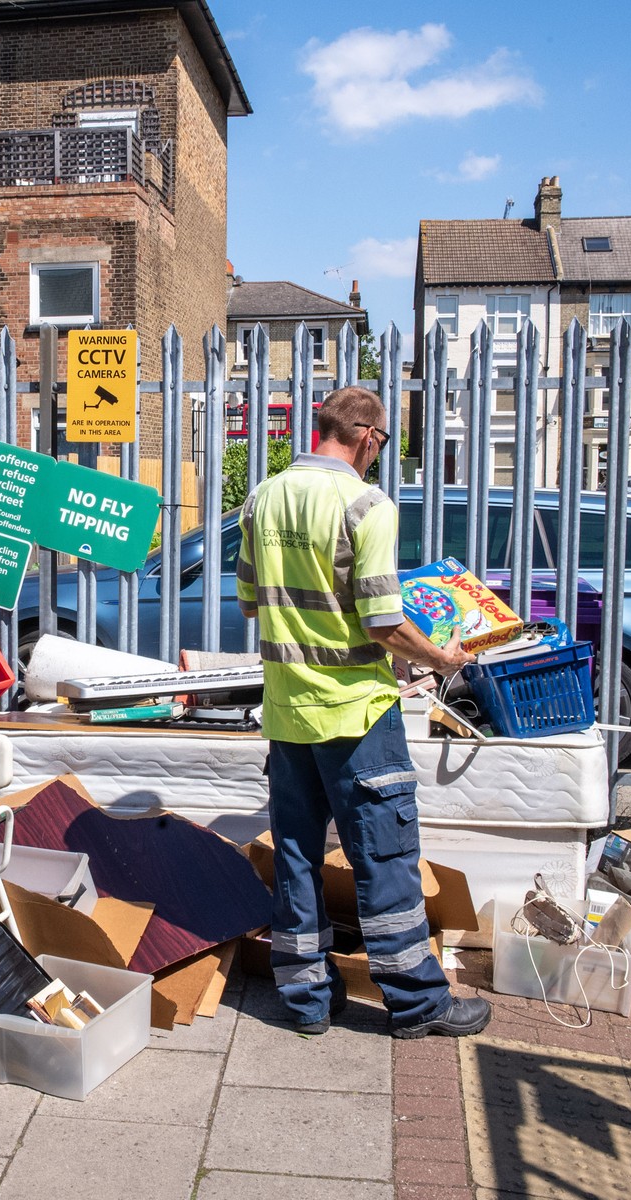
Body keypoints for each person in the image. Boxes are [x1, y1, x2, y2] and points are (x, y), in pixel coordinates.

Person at [236, 385, 492, 1039]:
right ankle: (417, 1004)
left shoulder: (264, 498)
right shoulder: (365, 505)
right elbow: (382, 622)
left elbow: (249, 603)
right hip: (355, 715)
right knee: (383, 855)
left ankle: (306, 1002)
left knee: (296, 854)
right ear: (367, 436)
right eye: (381, 445)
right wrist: (440, 658)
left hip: (289, 711)